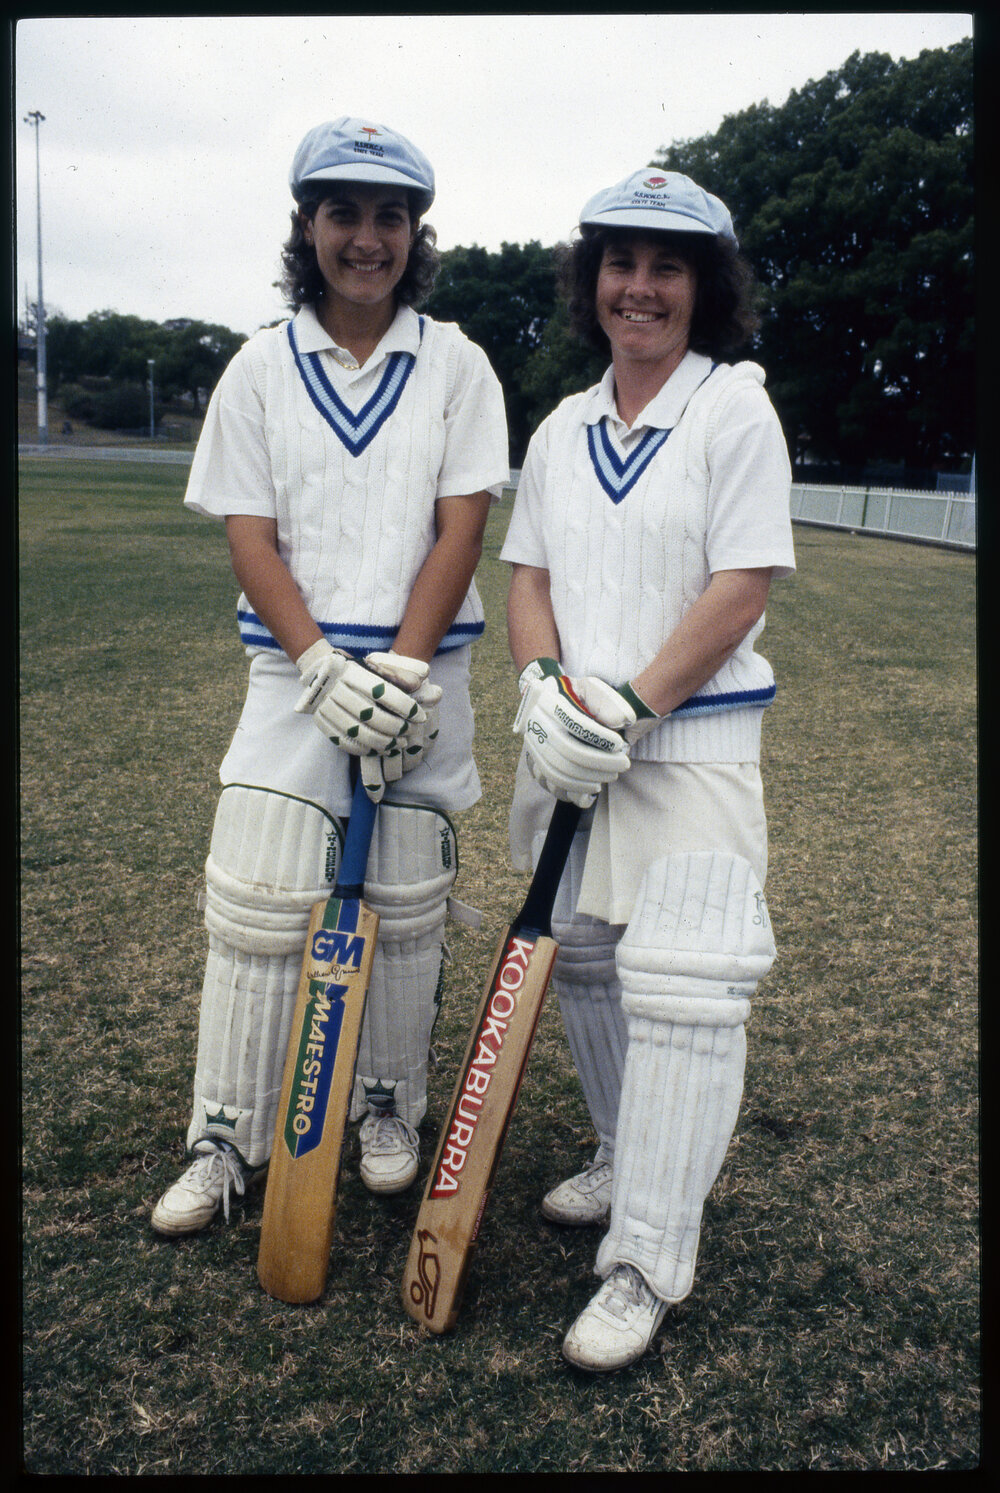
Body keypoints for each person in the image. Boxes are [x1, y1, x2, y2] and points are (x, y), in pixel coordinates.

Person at [151, 116, 509, 1236]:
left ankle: (384, 1103)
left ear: (416, 232)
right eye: (343, 213)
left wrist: (400, 669)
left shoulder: (456, 362)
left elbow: (462, 528)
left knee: (405, 903)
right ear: (307, 226)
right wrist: (317, 665)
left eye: (389, 217)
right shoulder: (261, 364)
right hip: (289, 675)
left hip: (421, 672)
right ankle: (225, 1137)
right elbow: (250, 536)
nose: (367, 238)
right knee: (257, 904)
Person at [500, 168, 796, 1371]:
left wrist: (629, 701)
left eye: (668, 267)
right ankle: (626, 1149)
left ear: (704, 288)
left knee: (682, 989)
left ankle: (646, 1257)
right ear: (594, 282)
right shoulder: (563, 427)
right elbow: (528, 577)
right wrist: (539, 687)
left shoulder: (734, 409)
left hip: (692, 743)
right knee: (583, 960)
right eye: (621, 264)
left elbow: (743, 583)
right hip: (571, 744)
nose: (640, 288)